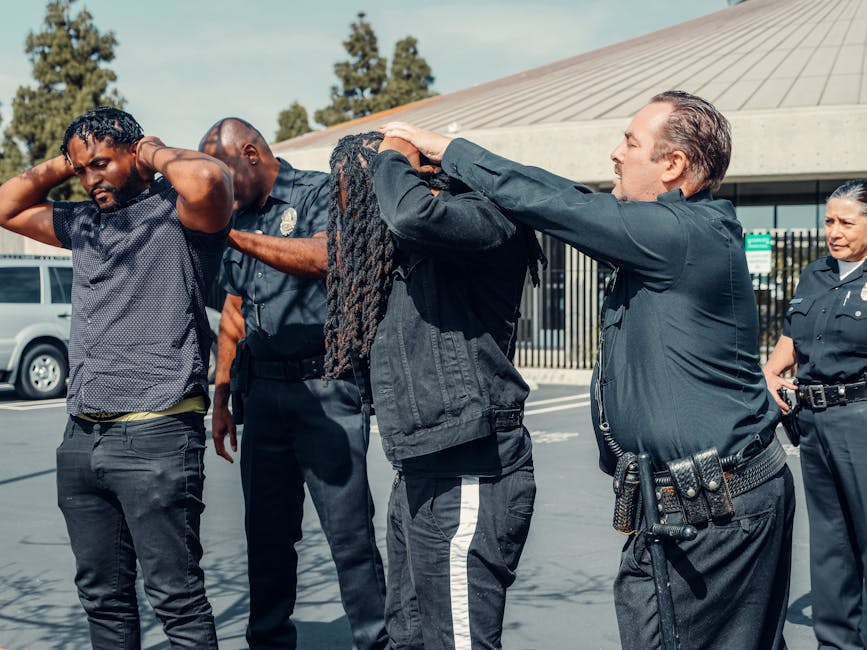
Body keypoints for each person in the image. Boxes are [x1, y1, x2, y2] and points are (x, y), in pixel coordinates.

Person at [382, 90, 795, 649]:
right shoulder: (667, 232)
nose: (615, 153)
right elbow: (565, 195)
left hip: (715, 517)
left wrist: (447, 150)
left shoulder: (684, 234)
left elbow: (561, 208)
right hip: (690, 510)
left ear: (673, 166)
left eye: (630, 142)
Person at [0, 106, 232, 648]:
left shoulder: (182, 215)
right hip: (82, 438)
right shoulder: (83, 223)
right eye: (82, 170)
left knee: (176, 599)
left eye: (101, 164)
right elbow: (6, 205)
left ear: (135, 152)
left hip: (156, 435)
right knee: (102, 599)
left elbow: (206, 177)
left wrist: (147, 150)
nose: (91, 179)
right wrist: (73, 157)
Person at [324, 131, 546, 649]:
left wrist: (392, 155)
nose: (352, 209)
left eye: (358, 191)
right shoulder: (400, 255)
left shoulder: (483, 217)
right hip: (419, 472)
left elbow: (410, 216)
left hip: (471, 472)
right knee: (408, 638)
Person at [198, 118, 388, 650]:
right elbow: (234, 311)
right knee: (267, 540)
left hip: (325, 389)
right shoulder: (239, 212)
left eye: (226, 175)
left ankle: (377, 641)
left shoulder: (318, 191)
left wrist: (232, 234)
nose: (223, 192)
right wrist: (221, 395)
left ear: (252, 154)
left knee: (349, 538)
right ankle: (269, 642)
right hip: (262, 396)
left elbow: (330, 257)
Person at [764, 180, 867, 650]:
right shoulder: (815, 275)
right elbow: (792, 338)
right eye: (829, 220)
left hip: (861, 420)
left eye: (847, 221)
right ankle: (836, 644)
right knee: (830, 545)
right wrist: (770, 373)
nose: (834, 231)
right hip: (814, 421)